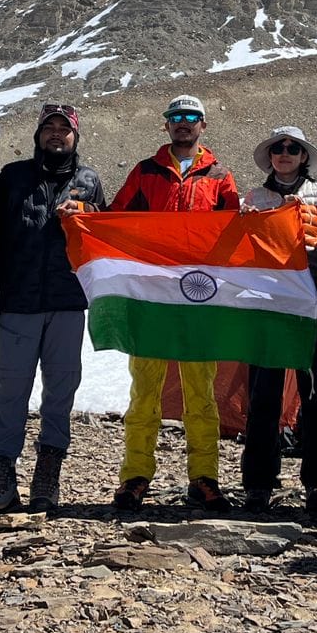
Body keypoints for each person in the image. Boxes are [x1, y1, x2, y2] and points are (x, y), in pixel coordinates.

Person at [109, 94, 241, 513]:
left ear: (203, 126)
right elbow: (115, 218)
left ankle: (203, 479)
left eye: (191, 118)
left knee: (200, 394)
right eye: (175, 117)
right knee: (144, 391)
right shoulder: (145, 172)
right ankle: (134, 478)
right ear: (165, 126)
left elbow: (236, 234)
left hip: (200, 299)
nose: (183, 124)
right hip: (152, 300)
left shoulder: (221, 177)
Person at [0, 102, 106, 512]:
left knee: (60, 392)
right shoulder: (13, 177)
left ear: (75, 136)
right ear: (37, 135)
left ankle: (47, 475)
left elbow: (105, 233)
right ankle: (2, 475)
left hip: (68, 303)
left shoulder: (89, 181)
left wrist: (87, 213)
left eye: (63, 129)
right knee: (11, 390)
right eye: (48, 128)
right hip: (19, 301)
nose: (56, 134)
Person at [239, 126, 317, 521]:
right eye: (278, 148)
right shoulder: (253, 199)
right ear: (270, 156)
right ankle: (258, 484)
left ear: (303, 157)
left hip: (313, 304)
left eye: (292, 148)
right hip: (267, 306)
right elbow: (240, 252)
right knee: (263, 395)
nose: (284, 154)